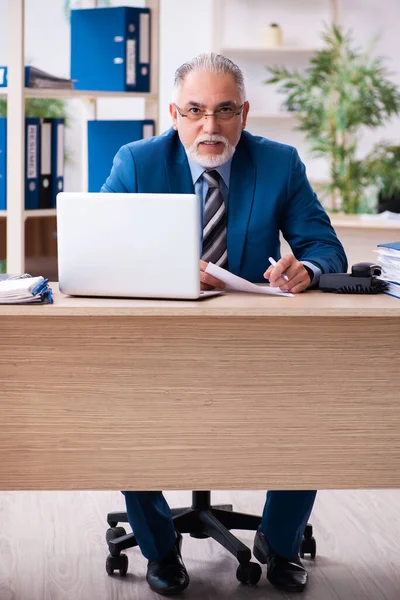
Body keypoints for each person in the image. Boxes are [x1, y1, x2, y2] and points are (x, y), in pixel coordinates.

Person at [101, 53, 347, 596]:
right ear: (175, 113)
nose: (209, 126)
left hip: (252, 342)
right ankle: (160, 548)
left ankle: (279, 544)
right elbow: (101, 248)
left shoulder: (279, 163)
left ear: (244, 113)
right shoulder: (138, 162)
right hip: (158, 343)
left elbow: (326, 247)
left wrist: (305, 268)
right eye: (195, 110)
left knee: (314, 406)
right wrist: (166, 268)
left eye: (224, 110)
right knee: (120, 412)